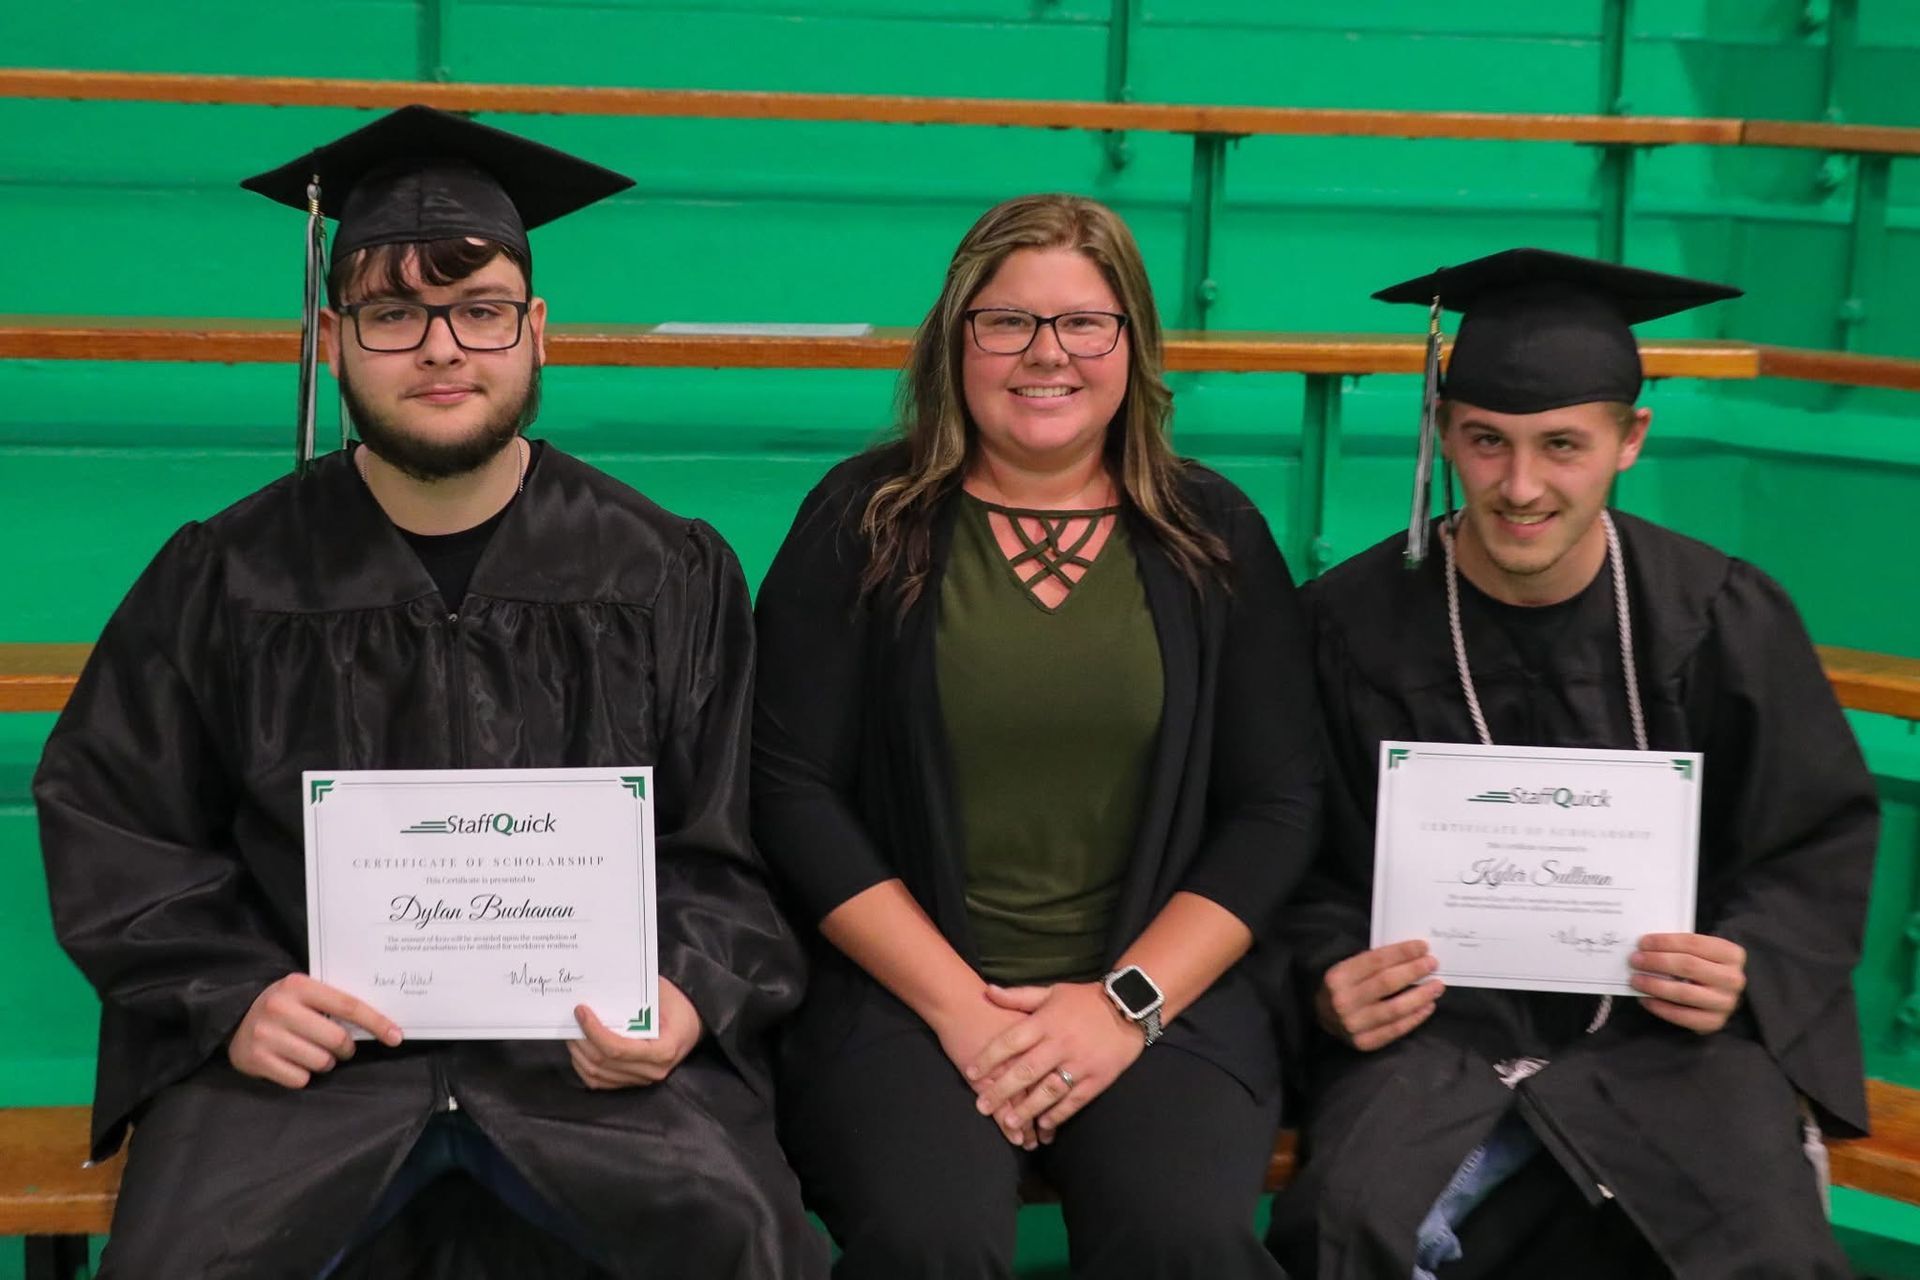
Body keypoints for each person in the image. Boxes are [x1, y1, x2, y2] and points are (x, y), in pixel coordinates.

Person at [34, 106, 824, 1280]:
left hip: (584, 1062)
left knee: (750, 1240)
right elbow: (114, 813)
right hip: (315, 1067)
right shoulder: (230, 574)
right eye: (394, 313)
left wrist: (686, 994)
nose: (442, 346)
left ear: (537, 331)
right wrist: (236, 995)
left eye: (480, 308)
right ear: (334, 334)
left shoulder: (662, 571)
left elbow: (732, 844)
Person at [1265, 248, 1879, 1279]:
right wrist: (1329, 976)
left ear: (1629, 439)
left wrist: (1745, 961)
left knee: (1765, 1244)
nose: (1520, 485)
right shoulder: (1348, 626)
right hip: (1429, 1040)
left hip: (1669, 1037)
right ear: (1445, 435)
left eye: (1562, 445)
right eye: (1486, 442)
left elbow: (1811, 840)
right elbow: (1288, 853)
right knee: (1346, 1223)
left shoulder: (1717, 616)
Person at [751, 193, 1321, 1279]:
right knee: (931, 1240)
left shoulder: (1214, 535)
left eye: (1083, 323)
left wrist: (1123, 1007)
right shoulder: (862, 521)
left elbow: (1278, 802)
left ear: (1131, 345)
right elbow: (790, 787)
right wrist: (961, 1007)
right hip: (905, 1000)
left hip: (1154, 995)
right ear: (955, 340)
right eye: (1006, 321)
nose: (1044, 353)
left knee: (1183, 1238)